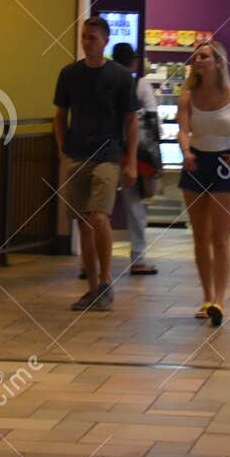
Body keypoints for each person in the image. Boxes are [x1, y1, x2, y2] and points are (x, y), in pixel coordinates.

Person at [54, 17, 139, 313]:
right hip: (78, 154)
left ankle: (105, 281)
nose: (86, 42)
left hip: (108, 154)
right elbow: (60, 114)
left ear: (105, 40)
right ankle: (92, 288)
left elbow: (131, 119)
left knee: (99, 216)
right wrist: (63, 149)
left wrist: (130, 162)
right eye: (83, 37)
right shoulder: (69, 74)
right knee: (82, 221)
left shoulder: (119, 77)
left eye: (92, 37)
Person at [175, 39, 230, 327]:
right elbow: (183, 129)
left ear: (219, 62)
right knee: (199, 235)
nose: (197, 61)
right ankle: (207, 297)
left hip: (226, 164)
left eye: (204, 57)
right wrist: (185, 151)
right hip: (196, 163)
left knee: (219, 237)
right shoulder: (188, 96)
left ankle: (220, 300)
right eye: (195, 57)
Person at [113, 42, 160, 277]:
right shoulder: (140, 84)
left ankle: (87, 262)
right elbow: (152, 121)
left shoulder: (106, 81)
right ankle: (138, 259)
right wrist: (155, 157)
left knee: (97, 208)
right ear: (133, 62)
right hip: (135, 155)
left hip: (106, 150)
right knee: (135, 208)